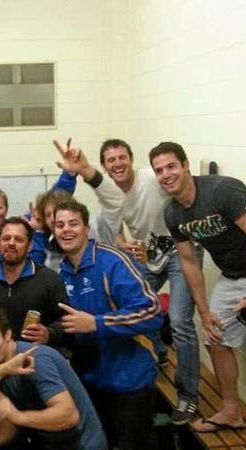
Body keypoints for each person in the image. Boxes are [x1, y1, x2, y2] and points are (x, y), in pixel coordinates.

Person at [149, 141, 246, 450]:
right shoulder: (173, 212)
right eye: (159, 170)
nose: (166, 174)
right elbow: (188, 262)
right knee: (215, 336)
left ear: (186, 165)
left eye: (171, 166)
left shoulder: (221, 190)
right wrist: (204, 310)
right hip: (232, 275)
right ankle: (231, 410)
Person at [53, 137, 202, 424]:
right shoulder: (111, 196)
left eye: (122, 157)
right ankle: (159, 351)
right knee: (134, 305)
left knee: (181, 322)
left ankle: (187, 396)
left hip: (180, 252)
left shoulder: (153, 179)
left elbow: (197, 185)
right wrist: (121, 243)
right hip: (148, 256)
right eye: (111, 160)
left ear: (131, 160)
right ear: (106, 168)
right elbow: (111, 221)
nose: (118, 163)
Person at [52, 197, 162, 450]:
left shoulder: (112, 261)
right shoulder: (61, 272)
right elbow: (69, 327)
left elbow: (152, 311)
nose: (66, 230)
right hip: (90, 383)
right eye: (60, 224)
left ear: (86, 229)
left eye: (73, 224)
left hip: (130, 383)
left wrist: (98, 324)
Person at [0, 303, 109, 450]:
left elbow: (69, 415)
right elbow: (8, 428)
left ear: (8, 334)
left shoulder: (36, 358)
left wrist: (17, 416)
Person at [0, 217, 68, 347]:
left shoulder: (49, 280)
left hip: (37, 361)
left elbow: (66, 321)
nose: (11, 243)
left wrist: (50, 333)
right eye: (6, 238)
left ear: (29, 246)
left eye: (19, 239)